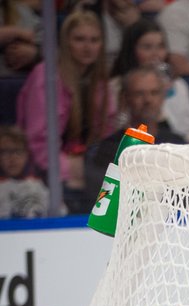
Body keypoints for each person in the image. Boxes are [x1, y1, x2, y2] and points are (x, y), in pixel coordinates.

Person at [16, 9, 116, 214]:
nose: (88, 47)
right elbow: (38, 144)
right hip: (48, 168)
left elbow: (107, 134)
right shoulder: (45, 78)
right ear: (65, 42)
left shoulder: (100, 80)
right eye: (79, 39)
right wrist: (73, 170)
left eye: (94, 40)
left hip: (87, 163)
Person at [84, 65, 185, 200]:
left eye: (154, 93)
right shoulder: (109, 149)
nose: (148, 100)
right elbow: (105, 201)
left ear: (162, 97)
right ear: (126, 99)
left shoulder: (177, 144)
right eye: (139, 94)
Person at [110, 18, 189, 143]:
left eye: (161, 47)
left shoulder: (178, 86)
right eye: (147, 47)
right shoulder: (115, 87)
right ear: (132, 50)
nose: (156, 54)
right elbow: (114, 132)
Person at [0, 125, 50, 218]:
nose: (12, 158)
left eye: (17, 151)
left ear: (27, 154)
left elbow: (59, 213)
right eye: (5, 152)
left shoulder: (39, 186)